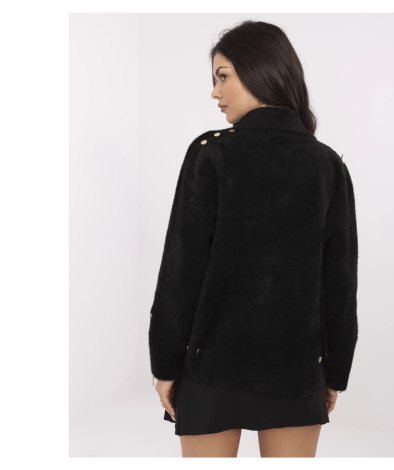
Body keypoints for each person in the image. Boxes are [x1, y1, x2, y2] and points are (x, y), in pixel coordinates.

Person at [148, 20, 359, 458]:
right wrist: (334, 372)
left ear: (260, 70)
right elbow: (339, 285)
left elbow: (181, 271)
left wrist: (165, 364)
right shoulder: (327, 167)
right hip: (296, 372)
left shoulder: (211, 153)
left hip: (211, 368)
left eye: (223, 76)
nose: (215, 92)